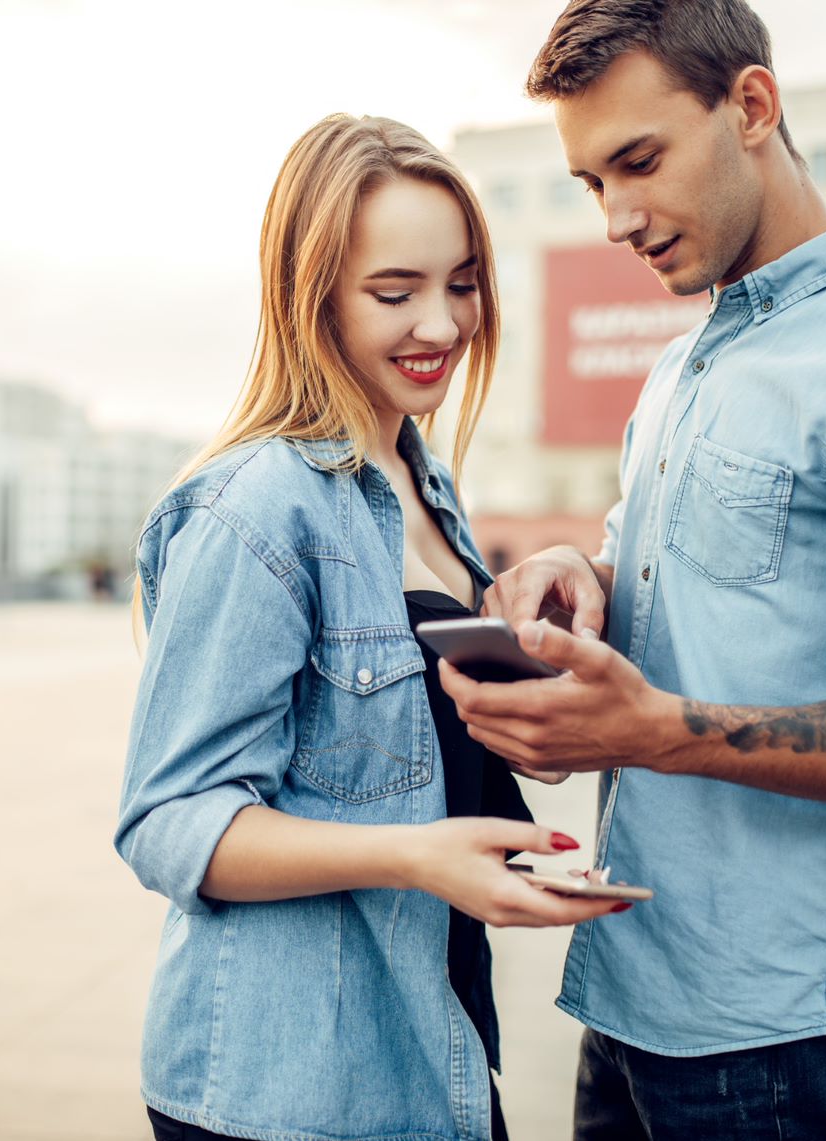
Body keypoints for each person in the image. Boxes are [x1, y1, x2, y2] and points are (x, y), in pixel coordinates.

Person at [436, 3, 826, 1138]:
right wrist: (581, 573)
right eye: (589, 184)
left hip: (778, 1039)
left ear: (752, 108)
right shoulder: (685, 364)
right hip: (631, 989)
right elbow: (693, 582)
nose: (617, 219)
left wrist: (654, 729)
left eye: (638, 161)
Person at [115, 113, 634, 1141]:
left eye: (460, 282)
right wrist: (415, 855)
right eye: (393, 293)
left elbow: (418, 760)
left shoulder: (424, 484)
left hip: (428, 1048)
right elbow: (168, 819)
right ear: (312, 300)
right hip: (286, 1089)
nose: (440, 325)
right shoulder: (256, 508)